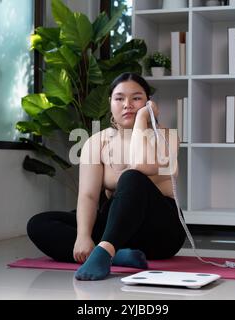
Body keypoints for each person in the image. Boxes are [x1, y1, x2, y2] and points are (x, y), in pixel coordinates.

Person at [26, 72, 186, 281]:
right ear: (110, 103)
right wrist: (83, 237)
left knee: (131, 177)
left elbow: (139, 165)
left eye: (136, 98)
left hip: (159, 231)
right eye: (119, 98)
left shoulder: (166, 136)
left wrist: (144, 119)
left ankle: (105, 251)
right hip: (118, 228)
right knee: (39, 224)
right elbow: (89, 196)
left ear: (148, 103)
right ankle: (116, 255)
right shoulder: (97, 142)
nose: (127, 104)